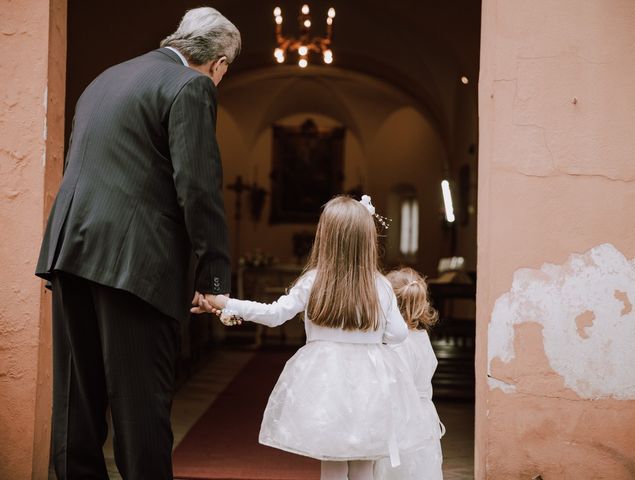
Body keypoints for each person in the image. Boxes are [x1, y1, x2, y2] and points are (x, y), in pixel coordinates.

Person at [35, 7, 240, 479]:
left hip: (70, 252)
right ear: (219, 63)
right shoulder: (191, 86)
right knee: (140, 411)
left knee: (75, 412)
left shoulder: (106, 79)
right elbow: (198, 186)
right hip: (135, 265)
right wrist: (213, 275)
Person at [196, 195, 431, 480]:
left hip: (325, 382)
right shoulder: (380, 285)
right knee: (363, 465)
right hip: (370, 385)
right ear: (367, 240)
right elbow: (398, 334)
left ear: (326, 237)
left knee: (331, 461)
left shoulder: (313, 281)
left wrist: (225, 302)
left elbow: (274, 314)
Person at [373, 267, 445, 480]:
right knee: (423, 470)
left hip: (400, 420)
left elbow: (394, 387)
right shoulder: (422, 337)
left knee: (396, 472)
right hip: (424, 417)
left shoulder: (395, 345)